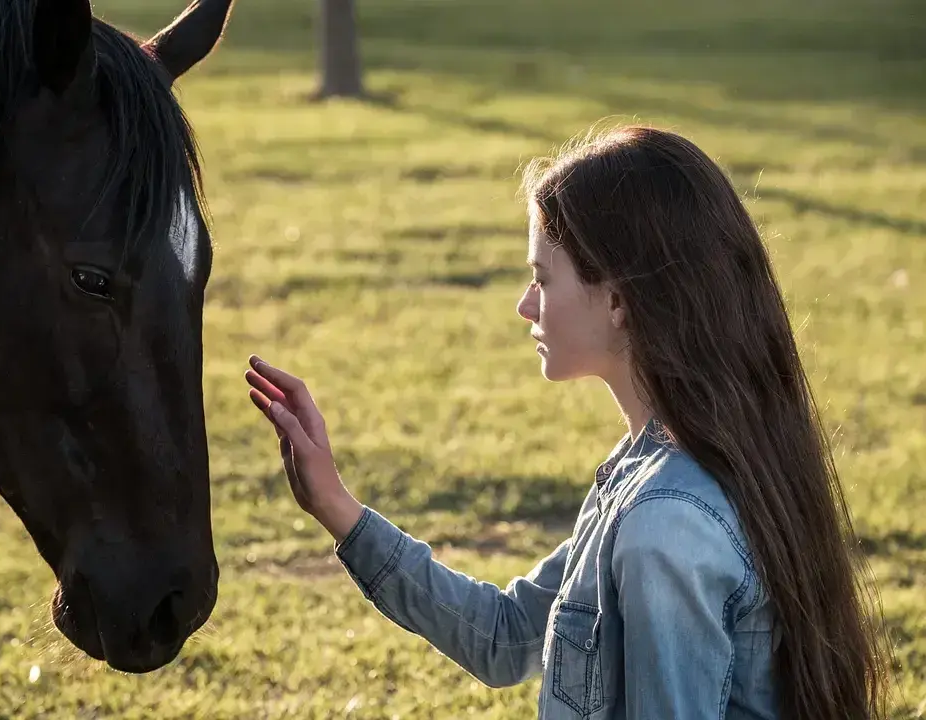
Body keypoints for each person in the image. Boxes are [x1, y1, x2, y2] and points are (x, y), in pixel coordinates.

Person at [243, 125, 892, 719]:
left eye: (542, 280)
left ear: (617, 301)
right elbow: (504, 637)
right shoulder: (651, 468)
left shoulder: (666, 522)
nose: (525, 305)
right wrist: (336, 506)